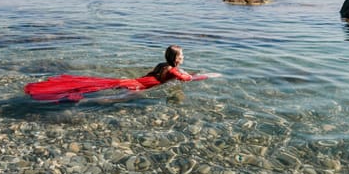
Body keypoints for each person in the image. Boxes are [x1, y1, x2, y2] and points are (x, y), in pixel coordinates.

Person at [24, 45, 216, 102]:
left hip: (133, 80)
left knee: (95, 85)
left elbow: (153, 75)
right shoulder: (173, 71)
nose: (183, 57)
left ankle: (77, 94)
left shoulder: (162, 65)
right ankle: (82, 100)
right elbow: (186, 79)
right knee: (115, 100)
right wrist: (207, 75)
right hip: (137, 86)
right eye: (182, 55)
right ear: (177, 58)